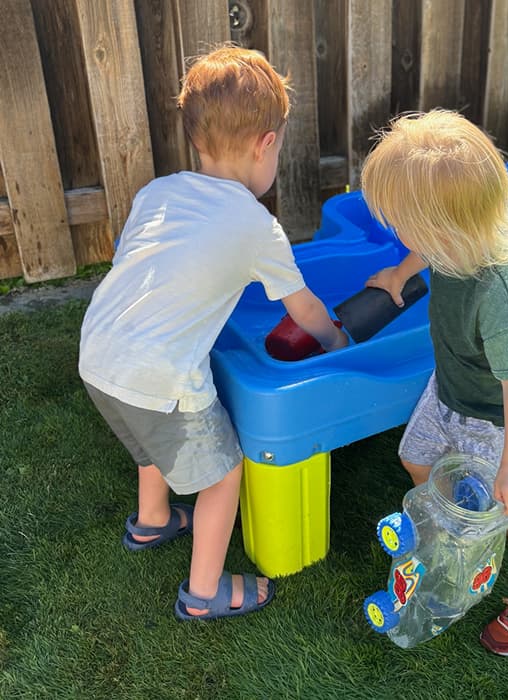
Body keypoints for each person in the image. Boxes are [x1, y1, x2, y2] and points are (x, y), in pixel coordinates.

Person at [78, 46, 348, 621]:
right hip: (161, 372)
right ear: (266, 145)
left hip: (99, 353)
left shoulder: (157, 192)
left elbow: (145, 266)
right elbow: (304, 309)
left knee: (151, 439)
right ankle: (205, 593)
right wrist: (336, 343)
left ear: (197, 142)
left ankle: (152, 522)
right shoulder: (257, 225)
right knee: (224, 473)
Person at [361, 109, 508, 656]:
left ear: (443, 227)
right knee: (416, 453)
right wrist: (401, 273)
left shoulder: (500, 293)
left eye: (404, 223)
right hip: (450, 390)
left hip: (502, 421)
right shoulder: (451, 241)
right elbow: (426, 247)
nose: (399, 231)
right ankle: (449, 524)